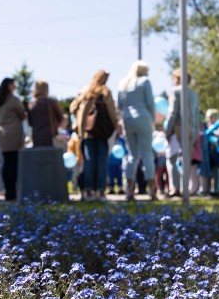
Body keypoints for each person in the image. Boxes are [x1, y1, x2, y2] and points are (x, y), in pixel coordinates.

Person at [70, 69, 119, 202]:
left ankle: (87, 191)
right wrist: (116, 125)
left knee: (89, 161)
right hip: (102, 132)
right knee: (101, 161)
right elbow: (112, 112)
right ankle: (100, 191)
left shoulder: (86, 90)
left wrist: (79, 120)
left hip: (86, 133)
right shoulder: (105, 92)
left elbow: (72, 107)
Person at [117, 60, 156, 201]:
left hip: (127, 120)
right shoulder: (145, 82)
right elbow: (150, 103)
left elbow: (120, 106)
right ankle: (152, 189)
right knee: (147, 154)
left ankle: (129, 190)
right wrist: (153, 119)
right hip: (143, 118)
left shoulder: (123, 83)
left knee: (132, 155)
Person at [165, 68, 200, 198]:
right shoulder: (194, 94)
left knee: (172, 158)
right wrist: (196, 131)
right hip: (192, 128)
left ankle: (175, 188)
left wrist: (168, 131)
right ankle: (186, 188)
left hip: (178, 127)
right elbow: (196, 114)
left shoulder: (176, 91)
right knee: (186, 160)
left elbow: (173, 113)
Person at [0, 78, 26, 201]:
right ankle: (12, 192)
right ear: (9, 85)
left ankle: (8, 190)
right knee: (14, 163)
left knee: (6, 163)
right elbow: (22, 115)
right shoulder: (14, 100)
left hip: (2, 133)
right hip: (14, 133)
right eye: (14, 84)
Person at [27, 80, 65, 148]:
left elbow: (30, 123)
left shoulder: (31, 104)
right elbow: (62, 119)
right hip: (51, 137)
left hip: (37, 138)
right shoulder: (51, 102)